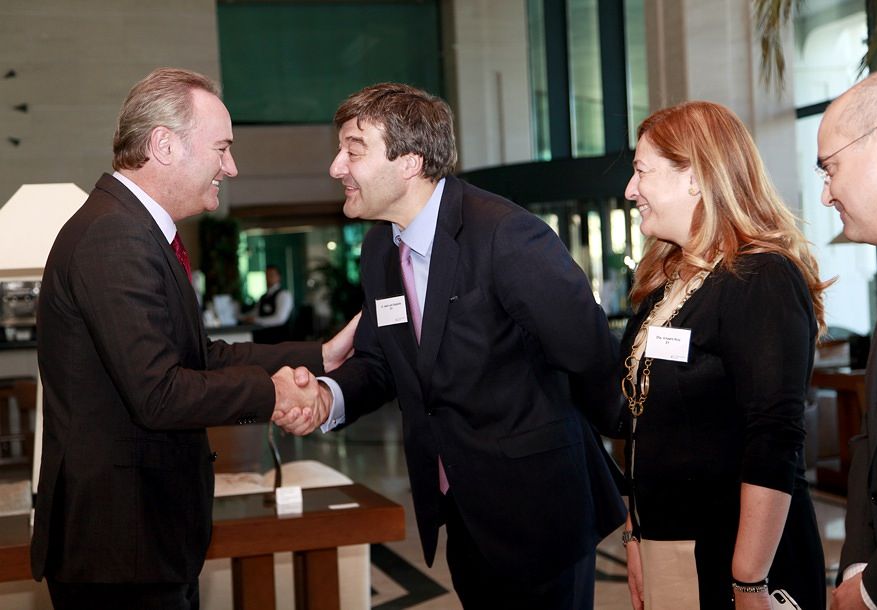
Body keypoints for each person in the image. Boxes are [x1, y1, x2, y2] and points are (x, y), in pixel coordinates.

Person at [275, 82, 627, 609]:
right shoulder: (379, 247)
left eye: (352, 149)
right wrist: (328, 397)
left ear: (411, 160)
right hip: (461, 511)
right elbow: (381, 360)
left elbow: (590, 353)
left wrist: (644, 462)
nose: (336, 167)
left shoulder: (505, 235)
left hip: (539, 512)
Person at [32, 67, 356, 610]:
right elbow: (158, 393)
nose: (230, 166)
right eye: (222, 148)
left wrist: (318, 354)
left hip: (142, 541)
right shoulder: (115, 236)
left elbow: (200, 357)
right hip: (121, 548)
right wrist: (276, 394)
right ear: (163, 145)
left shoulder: (132, 228)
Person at [619, 101, 829, 610]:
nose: (630, 190)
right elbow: (641, 424)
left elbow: (775, 435)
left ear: (694, 176)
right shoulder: (666, 282)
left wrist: (749, 579)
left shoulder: (762, 277)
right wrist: (634, 535)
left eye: (642, 170)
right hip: (667, 542)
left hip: (738, 559)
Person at [818, 67, 877, 610]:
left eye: (831, 168)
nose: (826, 194)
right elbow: (873, 437)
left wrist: (874, 590)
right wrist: (858, 563)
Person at [245, 264, 295, 343]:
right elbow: (255, 313)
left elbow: (280, 319)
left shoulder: (284, 295)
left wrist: (256, 320)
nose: (268, 278)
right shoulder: (263, 296)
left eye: (271, 275)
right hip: (263, 339)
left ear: (279, 277)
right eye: (266, 275)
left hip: (280, 340)